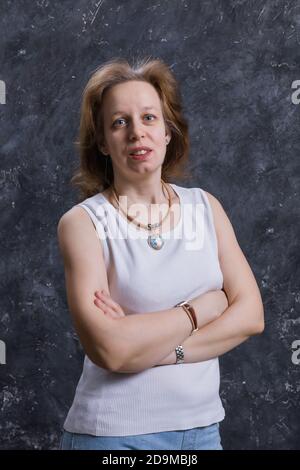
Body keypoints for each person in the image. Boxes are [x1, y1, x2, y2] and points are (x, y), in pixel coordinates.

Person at [57, 57, 265, 451]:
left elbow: (251, 316)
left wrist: (151, 348)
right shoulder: (83, 223)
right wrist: (201, 309)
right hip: (113, 436)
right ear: (102, 141)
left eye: (149, 118)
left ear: (168, 132)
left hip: (202, 432)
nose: (137, 132)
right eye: (119, 122)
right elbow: (111, 351)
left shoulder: (206, 208)